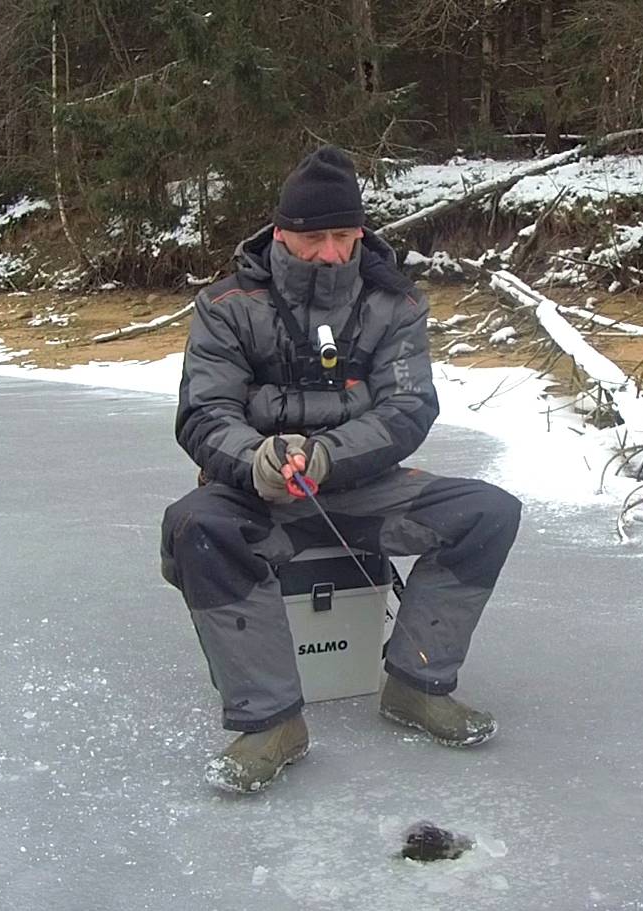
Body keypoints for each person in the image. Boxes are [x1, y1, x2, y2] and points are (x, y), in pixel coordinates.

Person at [159, 146, 523, 794]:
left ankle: (417, 683)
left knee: (486, 512)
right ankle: (271, 721)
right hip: (257, 493)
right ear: (281, 233)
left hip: (364, 489)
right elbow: (204, 412)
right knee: (194, 524)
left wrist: (327, 456)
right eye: (311, 237)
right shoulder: (226, 304)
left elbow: (407, 409)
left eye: (341, 235)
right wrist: (258, 459)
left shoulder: (395, 304)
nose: (329, 251)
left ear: (359, 232)